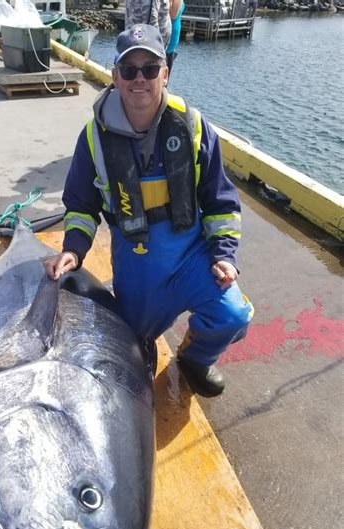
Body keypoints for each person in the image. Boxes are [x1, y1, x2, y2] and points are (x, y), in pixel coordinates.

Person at [44, 24, 253, 397]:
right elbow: (80, 204)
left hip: (192, 255)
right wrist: (74, 249)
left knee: (233, 316)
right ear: (115, 76)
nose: (139, 78)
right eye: (128, 70)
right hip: (138, 262)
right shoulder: (94, 137)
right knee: (129, 350)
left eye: (150, 69)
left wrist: (224, 253)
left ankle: (195, 358)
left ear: (165, 74)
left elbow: (221, 200)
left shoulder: (194, 127)